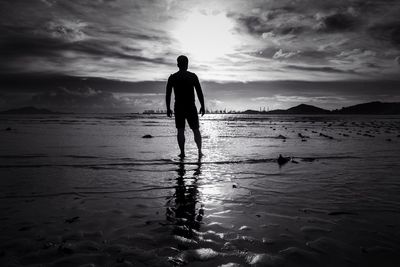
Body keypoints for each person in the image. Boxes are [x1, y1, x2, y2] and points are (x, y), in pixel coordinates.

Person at [166, 55, 205, 158]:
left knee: (180, 130)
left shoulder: (173, 77)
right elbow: (199, 92)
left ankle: (183, 153)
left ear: (178, 64)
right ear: (187, 64)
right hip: (190, 106)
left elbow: (168, 94)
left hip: (179, 106)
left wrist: (168, 108)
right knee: (195, 129)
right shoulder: (192, 76)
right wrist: (202, 105)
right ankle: (199, 152)